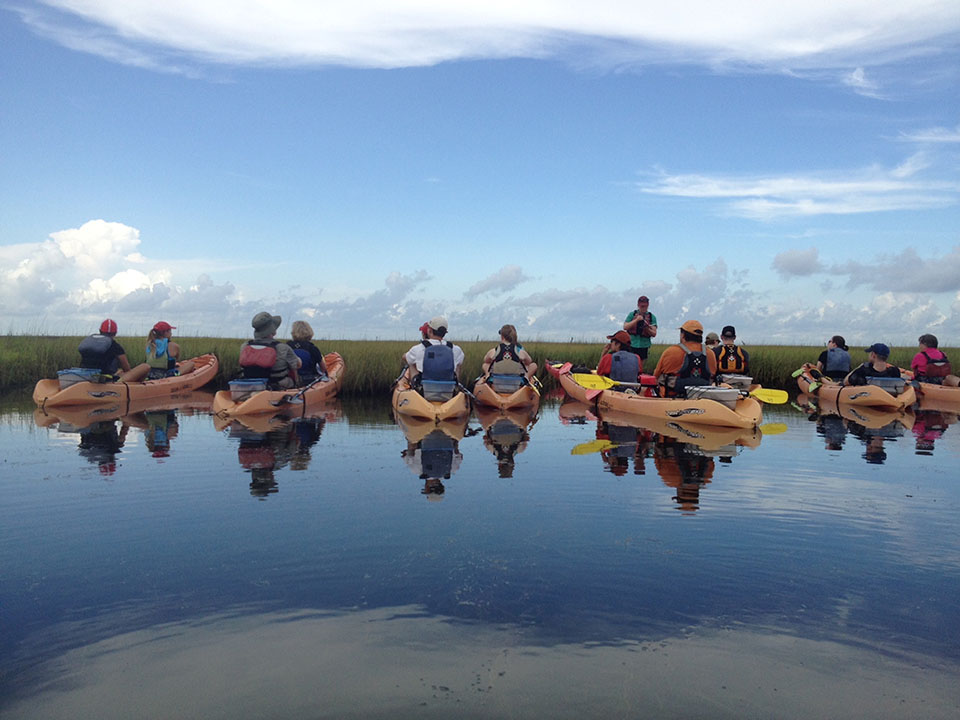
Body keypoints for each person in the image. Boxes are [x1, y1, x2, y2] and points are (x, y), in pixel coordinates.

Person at [653, 320, 717, 396]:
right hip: (702, 399)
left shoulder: (671, 351)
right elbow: (713, 375)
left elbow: (655, 376)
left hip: (673, 398)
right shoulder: (710, 354)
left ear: (683, 335)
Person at [239, 312, 301, 390]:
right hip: (277, 386)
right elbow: (296, 366)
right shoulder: (283, 347)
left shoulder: (245, 346)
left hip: (249, 386)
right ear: (273, 331)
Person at [78, 319, 149, 382]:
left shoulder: (90, 342)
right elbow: (127, 369)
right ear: (115, 333)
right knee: (145, 366)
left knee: (119, 371)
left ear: (100, 331)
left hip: (85, 376)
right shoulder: (115, 346)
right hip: (106, 380)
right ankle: (138, 385)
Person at [403, 315, 465, 388]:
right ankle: (456, 387)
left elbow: (405, 357)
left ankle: (415, 388)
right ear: (444, 333)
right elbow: (460, 362)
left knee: (411, 363)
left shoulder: (418, 348)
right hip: (448, 389)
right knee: (457, 364)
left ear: (429, 331)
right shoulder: (456, 349)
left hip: (424, 389)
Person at [287, 320, 328, 386]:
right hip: (309, 380)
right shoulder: (312, 348)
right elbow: (323, 368)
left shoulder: (288, 346)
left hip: (291, 379)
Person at [622, 295, 658, 363]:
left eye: (645, 306)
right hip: (632, 343)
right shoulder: (632, 315)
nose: (643, 308)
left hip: (644, 345)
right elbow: (625, 327)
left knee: (640, 365)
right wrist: (636, 320)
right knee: (630, 363)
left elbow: (654, 333)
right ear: (638, 305)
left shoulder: (651, 317)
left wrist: (646, 328)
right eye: (642, 306)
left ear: (648, 305)